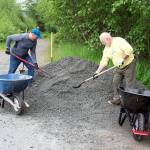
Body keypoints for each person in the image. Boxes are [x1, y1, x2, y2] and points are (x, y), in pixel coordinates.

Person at [94, 32, 136, 105]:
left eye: (103, 42)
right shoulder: (106, 49)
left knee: (129, 83)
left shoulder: (119, 41)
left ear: (107, 39)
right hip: (118, 67)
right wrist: (97, 72)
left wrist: (122, 59)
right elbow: (104, 61)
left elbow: (129, 49)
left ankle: (130, 102)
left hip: (129, 65)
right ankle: (117, 99)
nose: (103, 44)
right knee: (115, 82)